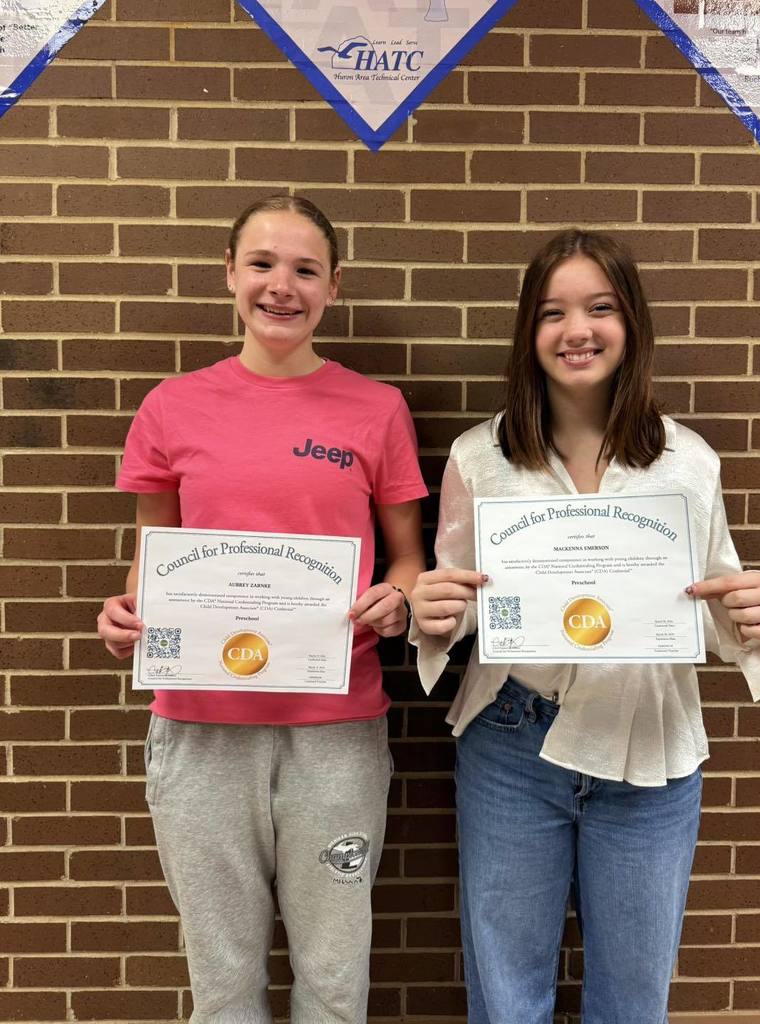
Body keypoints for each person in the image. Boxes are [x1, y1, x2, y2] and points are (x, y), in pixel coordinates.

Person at [408, 229, 760, 1024]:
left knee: (633, 1003)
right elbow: (463, 602)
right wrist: (436, 613)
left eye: (599, 308)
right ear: (528, 334)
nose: (576, 330)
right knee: (507, 1001)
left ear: (632, 323)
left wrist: (756, 614)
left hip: (649, 744)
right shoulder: (481, 457)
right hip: (512, 741)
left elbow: (714, 607)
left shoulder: (689, 461)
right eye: (553, 313)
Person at [96, 194, 427, 1024]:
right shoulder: (172, 407)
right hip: (201, 727)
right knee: (223, 975)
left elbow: (410, 559)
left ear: (334, 286)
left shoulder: (375, 408)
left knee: (331, 972)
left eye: (305, 269)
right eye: (263, 265)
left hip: (334, 728)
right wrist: (128, 619)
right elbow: (153, 559)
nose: (283, 286)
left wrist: (399, 600)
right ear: (230, 275)